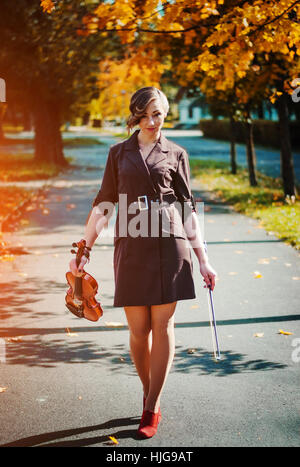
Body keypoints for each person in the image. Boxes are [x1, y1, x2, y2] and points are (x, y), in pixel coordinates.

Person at [69, 86, 217, 439]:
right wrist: (84, 248)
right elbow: (105, 202)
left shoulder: (177, 153)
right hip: (132, 248)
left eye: (158, 115)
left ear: (166, 113)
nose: (152, 122)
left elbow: (187, 208)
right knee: (138, 331)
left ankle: (151, 405)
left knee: (163, 327)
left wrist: (204, 260)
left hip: (170, 246)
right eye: (145, 115)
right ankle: (149, 390)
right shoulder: (118, 153)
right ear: (135, 116)